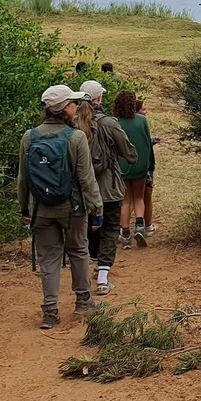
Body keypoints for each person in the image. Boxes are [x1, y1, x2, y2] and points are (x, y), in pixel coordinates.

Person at [18, 85, 103, 329]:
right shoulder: (76, 138)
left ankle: (50, 311)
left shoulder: (29, 137)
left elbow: (23, 178)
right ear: (65, 108)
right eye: (73, 103)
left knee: (48, 258)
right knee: (77, 250)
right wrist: (97, 210)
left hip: (40, 209)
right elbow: (87, 179)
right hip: (72, 209)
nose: (76, 107)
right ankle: (83, 300)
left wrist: (24, 208)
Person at [77, 80, 137, 295]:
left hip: (82, 189)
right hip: (108, 187)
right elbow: (129, 153)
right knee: (111, 229)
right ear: (99, 98)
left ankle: (93, 262)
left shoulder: (73, 122)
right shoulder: (109, 123)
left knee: (89, 228)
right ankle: (103, 277)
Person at [114, 90, 154, 249]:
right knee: (139, 197)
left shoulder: (115, 122)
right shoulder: (142, 121)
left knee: (125, 200)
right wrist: (149, 164)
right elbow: (147, 144)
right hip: (140, 165)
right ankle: (139, 226)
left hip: (122, 167)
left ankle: (125, 233)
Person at [138, 99, 159, 235]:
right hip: (144, 167)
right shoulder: (140, 123)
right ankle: (147, 226)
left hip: (128, 168)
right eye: (143, 110)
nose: (146, 112)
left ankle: (124, 229)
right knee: (146, 196)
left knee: (128, 199)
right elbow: (143, 144)